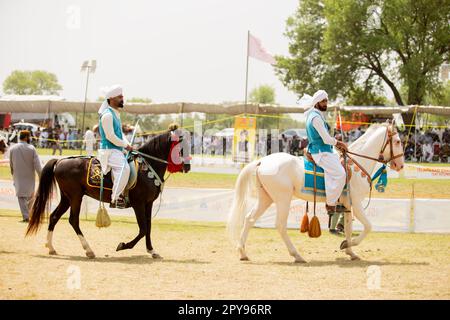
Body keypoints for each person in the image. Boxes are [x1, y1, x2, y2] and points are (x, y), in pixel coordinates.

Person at [303, 90, 348, 216]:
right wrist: (340, 144)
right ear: (317, 103)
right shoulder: (316, 118)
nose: (325, 103)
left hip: (324, 150)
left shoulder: (314, 114)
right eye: (323, 101)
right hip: (321, 152)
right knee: (340, 174)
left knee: (333, 170)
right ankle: (331, 204)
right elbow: (326, 139)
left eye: (326, 101)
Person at [98, 85, 134, 209]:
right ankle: (115, 198)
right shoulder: (107, 115)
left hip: (117, 150)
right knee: (124, 169)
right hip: (109, 150)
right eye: (120, 97)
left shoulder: (116, 114)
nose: (122, 99)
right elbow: (110, 136)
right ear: (111, 99)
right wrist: (125, 145)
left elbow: (120, 134)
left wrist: (127, 144)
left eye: (122, 96)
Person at [9, 130, 42, 222]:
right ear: (27, 137)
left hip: (18, 176)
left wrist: (13, 174)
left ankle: (26, 216)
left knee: (21, 197)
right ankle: (28, 215)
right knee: (30, 196)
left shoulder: (12, 148)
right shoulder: (32, 148)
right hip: (30, 177)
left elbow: (11, 164)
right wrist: (41, 176)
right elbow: (38, 166)